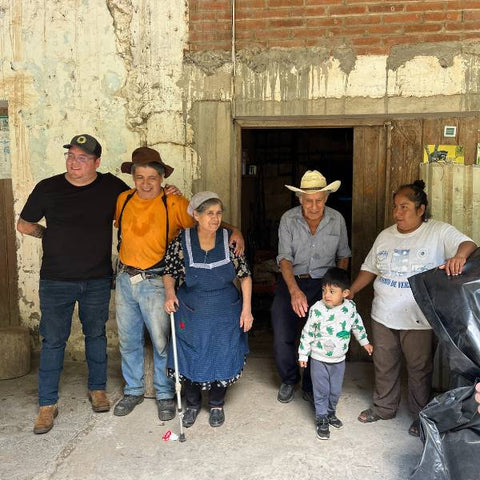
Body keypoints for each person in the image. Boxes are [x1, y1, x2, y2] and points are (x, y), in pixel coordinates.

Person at [113, 152, 244, 421]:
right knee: (127, 339)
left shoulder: (173, 202)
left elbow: (206, 223)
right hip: (126, 278)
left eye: (152, 177)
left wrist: (234, 230)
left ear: (162, 178)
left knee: (163, 341)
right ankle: (133, 390)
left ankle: (164, 395)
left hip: (155, 280)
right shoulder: (123, 200)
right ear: (133, 178)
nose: (146, 183)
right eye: (140, 177)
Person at [17, 134, 130, 434]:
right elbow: (24, 224)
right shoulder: (48, 188)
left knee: (96, 335)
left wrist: (167, 191)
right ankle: (46, 404)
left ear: (96, 162)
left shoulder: (111, 187)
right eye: (71, 156)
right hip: (55, 279)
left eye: (82, 158)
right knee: (53, 341)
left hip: (96, 278)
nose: (73, 162)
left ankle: (98, 390)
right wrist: (48, 236)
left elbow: (140, 205)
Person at [350, 179, 477, 437]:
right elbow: (369, 269)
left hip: (418, 318)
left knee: (420, 368)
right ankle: (384, 407)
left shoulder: (438, 232)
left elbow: (468, 244)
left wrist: (459, 256)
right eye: (395, 207)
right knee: (384, 363)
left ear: (421, 209)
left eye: (404, 207)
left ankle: (420, 417)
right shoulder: (385, 236)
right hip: (383, 314)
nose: (397, 213)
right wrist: (351, 291)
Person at [163, 191, 253, 428]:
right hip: (191, 309)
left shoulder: (230, 240)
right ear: (196, 215)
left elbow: (244, 276)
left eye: (219, 213)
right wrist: (170, 293)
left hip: (225, 309)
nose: (215, 219)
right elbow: (169, 272)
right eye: (209, 213)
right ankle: (192, 404)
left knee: (223, 352)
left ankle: (216, 404)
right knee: (192, 354)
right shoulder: (180, 241)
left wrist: (247, 309)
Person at [271, 170, 351, 405]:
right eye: (308, 201)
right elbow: (284, 258)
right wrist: (294, 291)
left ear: (326, 198)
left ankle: (310, 385)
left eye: (318, 200)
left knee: (318, 335)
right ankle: (288, 380)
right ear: (300, 200)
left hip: (324, 285)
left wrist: (336, 290)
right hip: (291, 281)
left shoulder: (337, 219)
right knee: (282, 333)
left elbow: (343, 256)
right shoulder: (288, 219)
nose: (314, 206)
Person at [298, 267, 373, 440]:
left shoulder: (350, 309)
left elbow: (357, 326)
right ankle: (321, 418)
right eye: (324, 290)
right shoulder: (317, 309)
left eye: (332, 291)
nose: (326, 295)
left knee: (335, 391)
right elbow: (307, 332)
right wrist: (303, 355)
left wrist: (365, 342)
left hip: (339, 360)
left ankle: (331, 413)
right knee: (321, 391)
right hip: (319, 359)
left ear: (345, 293)